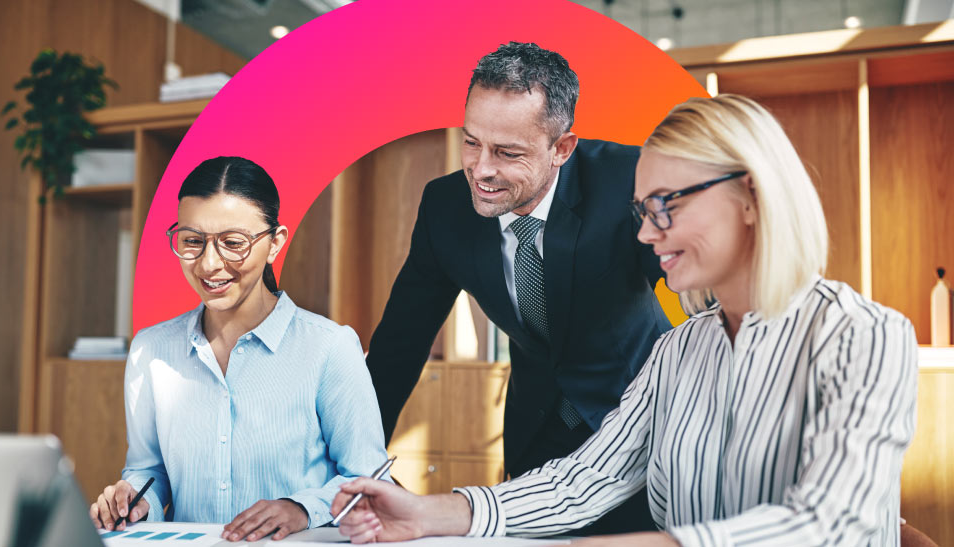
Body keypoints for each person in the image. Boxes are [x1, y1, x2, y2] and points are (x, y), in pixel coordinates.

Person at [331, 94, 919, 546]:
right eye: (642, 210)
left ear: (752, 195)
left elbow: (829, 525)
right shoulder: (679, 352)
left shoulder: (864, 337)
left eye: (667, 205)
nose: (643, 232)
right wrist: (431, 513)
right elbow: (580, 483)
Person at [366, 42, 671, 533]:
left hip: (638, 427)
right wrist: (361, 460)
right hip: (538, 431)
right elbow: (399, 344)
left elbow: (702, 287)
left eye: (508, 153)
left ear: (562, 149)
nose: (482, 170)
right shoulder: (445, 207)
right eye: (471, 142)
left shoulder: (629, 181)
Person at [88, 156, 389, 542]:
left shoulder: (329, 347)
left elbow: (370, 478)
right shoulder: (152, 351)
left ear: (275, 243)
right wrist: (135, 498)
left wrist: (301, 509)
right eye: (192, 242)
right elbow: (150, 471)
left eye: (233, 243)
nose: (210, 264)